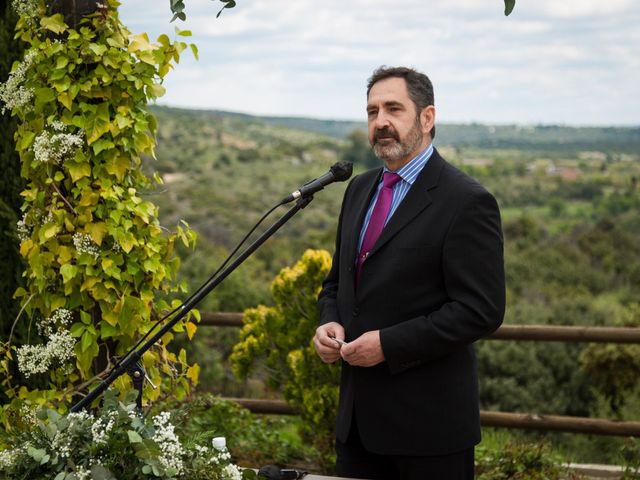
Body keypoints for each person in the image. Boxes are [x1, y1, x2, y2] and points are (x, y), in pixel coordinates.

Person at [313, 66, 505, 480]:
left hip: (430, 434)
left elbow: (481, 310)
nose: (380, 121)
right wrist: (328, 320)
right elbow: (336, 283)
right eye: (372, 111)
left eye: (393, 109)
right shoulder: (358, 189)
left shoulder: (467, 201)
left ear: (427, 117)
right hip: (357, 429)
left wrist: (388, 344)